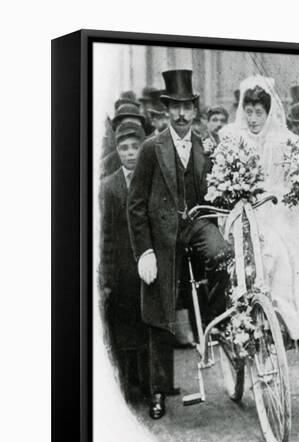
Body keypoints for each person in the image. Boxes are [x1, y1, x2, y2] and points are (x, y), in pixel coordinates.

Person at [128, 69, 231, 420]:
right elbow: (136, 205)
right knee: (161, 314)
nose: (183, 114)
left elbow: (217, 192)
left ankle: (220, 320)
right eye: (176, 108)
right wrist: (145, 250)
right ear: (166, 110)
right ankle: (158, 391)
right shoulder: (150, 149)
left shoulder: (205, 145)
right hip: (162, 238)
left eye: (188, 107)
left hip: (198, 224)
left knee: (224, 256)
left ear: (194, 109)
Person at [219, 75, 299, 342]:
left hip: (274, 207)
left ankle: (298, 320)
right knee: (274, 250)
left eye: (258, 113)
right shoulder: (231, 138)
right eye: (249, 112)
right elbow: (225, 182)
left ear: (268, 112)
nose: (252, 119)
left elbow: (287, 181)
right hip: (243, 210)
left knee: (298, 245)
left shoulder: (281, 140)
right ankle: (272, 317)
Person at [99, 121, 149, 401]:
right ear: (116, 151)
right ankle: (126, 386)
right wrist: (106, 276)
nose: (130, 153)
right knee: (123, 332)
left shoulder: (151, 180)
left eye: (135, 147)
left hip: (146, 267)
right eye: (123, 148)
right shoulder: (108, 187)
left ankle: (147, 385)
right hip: (121, 271)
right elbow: (104, 234)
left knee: (145, 330)